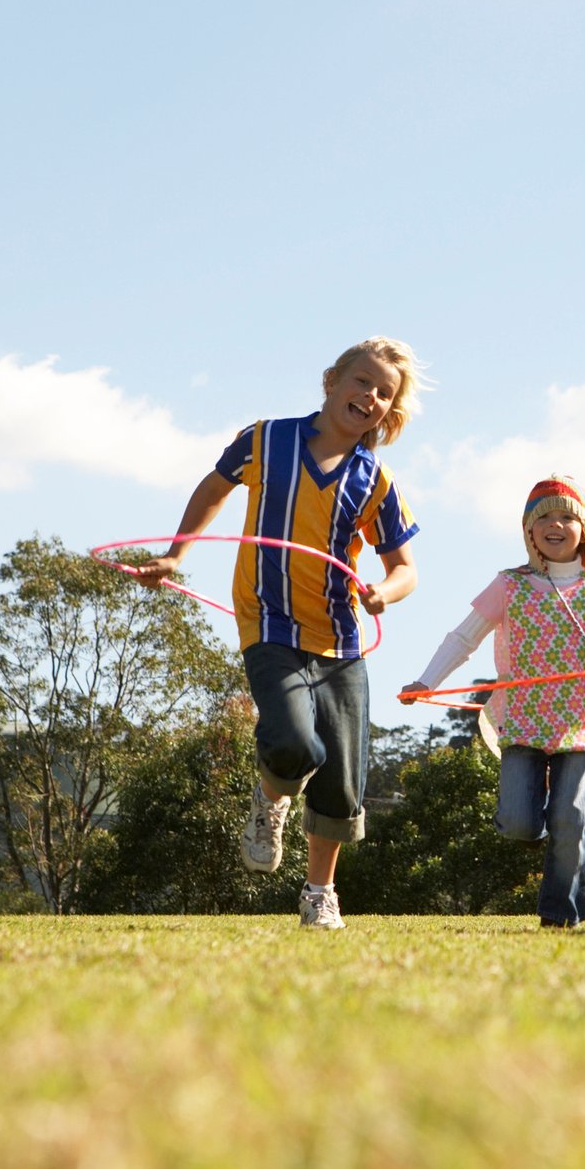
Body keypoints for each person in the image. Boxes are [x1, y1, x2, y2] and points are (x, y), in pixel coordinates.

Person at [133, 338, 423, 931]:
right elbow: (213, 488)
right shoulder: (266, 440)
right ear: (332, 381)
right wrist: (174, 556)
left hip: (340, 637)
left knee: (343, 781)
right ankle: (271, 798)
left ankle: (320, 893)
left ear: (389, 413)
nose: (369, 396)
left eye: (383, 393)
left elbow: (405, 570)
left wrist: (381, 594)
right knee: (295, 744)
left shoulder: (375, 480)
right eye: (361, 381)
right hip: (268, 619)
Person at [406, 476, 585, 928]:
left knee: (571, 815)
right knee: (522, 823)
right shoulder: (508, 585)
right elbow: (464, 638)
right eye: (543, 517)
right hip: (521, 719)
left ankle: (560, 917)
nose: (554, 524)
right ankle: (554, 831)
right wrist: (426, 681)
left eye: (566, 516)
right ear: (528, 530)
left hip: (581, 720)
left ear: (583, 529)